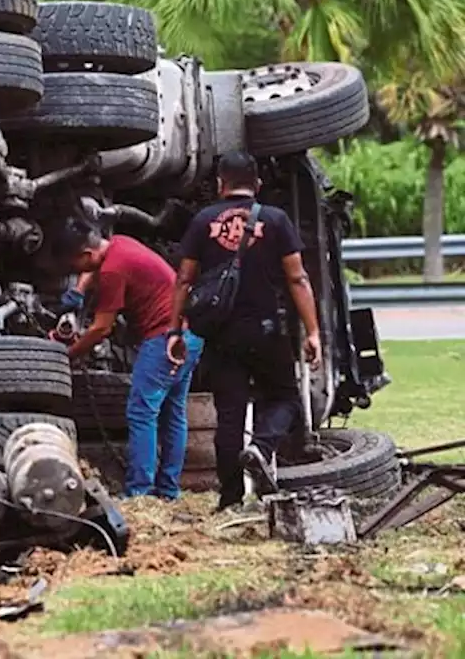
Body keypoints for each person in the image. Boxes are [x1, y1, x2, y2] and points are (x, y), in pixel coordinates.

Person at [165, 150, 321, 512]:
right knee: (286, 399)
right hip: (265, 330)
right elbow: (297, 278)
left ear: (221, 183)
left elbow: (184, 279)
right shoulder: (276, 220)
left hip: (220, 335)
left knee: (229, 415)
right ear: (258, 184)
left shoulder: (204, 221)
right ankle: (262, 447)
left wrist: (175, 330)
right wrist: (313, 331)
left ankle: (230, 498)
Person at [55, 221, 205, 501]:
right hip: (190, 335)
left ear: (87, 254)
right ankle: (168, 491)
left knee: (141, 413)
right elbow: (92, 269)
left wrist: (69, 354)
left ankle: (140, 492)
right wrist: (77, 293)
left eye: (78, 267)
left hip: (164, 340)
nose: (80, 274)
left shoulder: (113, 270)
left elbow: (102, 328)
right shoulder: (119, 244)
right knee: (173, 414)